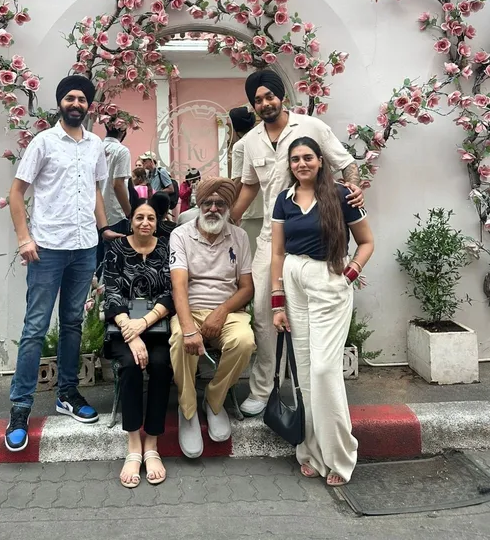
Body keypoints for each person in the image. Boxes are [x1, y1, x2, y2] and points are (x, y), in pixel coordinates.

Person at [231, 69, 364, 417]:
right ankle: (264, 389)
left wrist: (354, 186)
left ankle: (315, 388)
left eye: (269, 96)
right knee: (264, 312)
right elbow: (249, 186)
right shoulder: (250, 142)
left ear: (281, 97)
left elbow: (346, 164)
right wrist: (229, 219)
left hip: (318, 234)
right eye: (258, 100)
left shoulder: (311, 127)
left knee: (313, 313)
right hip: (272, 237)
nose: (265, 103)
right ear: (253, 105)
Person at [6, 75, 121, 451]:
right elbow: (17, 193)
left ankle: (67, 394)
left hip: (84, 248)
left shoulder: (95, 146)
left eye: (82, 99)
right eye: (70, 98)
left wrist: (103, 228)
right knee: (35, 327)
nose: (76, 103)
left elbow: (95, 191)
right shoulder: (43, 142)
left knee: (72, 323)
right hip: (48, 249)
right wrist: (24, 238)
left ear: (89, 106)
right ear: (60, 103)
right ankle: (20, 407)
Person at [271, 137, 374, 486]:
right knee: (303, 371)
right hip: (293, 278)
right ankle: (311, 452)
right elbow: (277, 253)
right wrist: (277, 301)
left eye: (308, 157)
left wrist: (350, 274)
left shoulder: (343, 195)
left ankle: (340, 457)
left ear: (319, 161)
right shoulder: (284, 200)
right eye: (295, 159)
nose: (301, 164)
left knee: (324, 370)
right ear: (290, 165)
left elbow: (367, 241)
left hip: (328, 279)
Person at [169, 177, 255, 458]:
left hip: (227, 311)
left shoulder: (239, 237)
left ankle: (215, 401)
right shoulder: (180, 235)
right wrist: (189, 328)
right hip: (190, 309)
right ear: (198, 204)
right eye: (207, 203)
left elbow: (247, 288)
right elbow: (178, 285)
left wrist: (221, 311)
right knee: (180, 340)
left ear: (228, 207)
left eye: (220, 203)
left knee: (244, 341)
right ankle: (188, 410)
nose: (213, 209)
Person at [103, 198, 174, 488]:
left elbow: (170, 292)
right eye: (139, 217)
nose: (145, 222)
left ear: (157, 223)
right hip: (122, 326)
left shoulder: (166, 248)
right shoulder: (116, 249)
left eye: (151, 218)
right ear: (130, 221)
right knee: (131, 365)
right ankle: (134, 445)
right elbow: (111, 293)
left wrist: (142, 325)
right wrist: (130, 333)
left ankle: (152, 444)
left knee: (160, 364)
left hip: (156, 326)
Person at [98, 122, 131, 273]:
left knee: (97, 262)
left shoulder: (96, 148)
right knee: (114, 265)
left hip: (94, 215)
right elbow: (118, 184)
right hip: (115, 215)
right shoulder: (121, 151)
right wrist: (129, 213)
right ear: (123, 130)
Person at [229, 107, 263, 256]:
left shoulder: (240, 146)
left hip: (250, 209)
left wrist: (229, 205)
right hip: (269, 206)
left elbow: (238, 180)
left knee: (250, 255)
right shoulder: (263, 140)